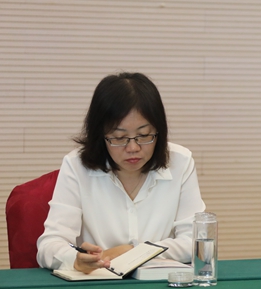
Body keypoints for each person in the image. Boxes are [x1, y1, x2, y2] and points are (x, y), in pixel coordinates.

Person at [37, 72, 206, 273]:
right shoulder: (76, 166)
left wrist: (134, 252)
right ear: (100, 135)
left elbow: (195, 241)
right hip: (98, 283)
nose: (133, 148)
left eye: (144, 135)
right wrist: (75, 259)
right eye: (119, 138)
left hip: (160, 284)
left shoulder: (180, 162)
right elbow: (49, 245)